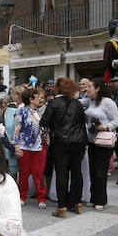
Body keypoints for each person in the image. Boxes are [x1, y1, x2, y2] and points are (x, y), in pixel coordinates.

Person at [41, 78, 86, 217]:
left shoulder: (53, 103)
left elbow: (44, 122)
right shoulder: (77, 103)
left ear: (58, 89)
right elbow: (82, 122)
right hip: (78, 141)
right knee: (77, 172)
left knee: (62, 173)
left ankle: (62, 206)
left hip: (60, 142)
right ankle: (77, 203)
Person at [82, 78, 118, 210]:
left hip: (104, 141)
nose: (87, 89)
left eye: (90, 87)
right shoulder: (90, 101)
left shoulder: (107, 102)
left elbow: (117, 121)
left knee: (100, 171)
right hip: (92, 141)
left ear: (98, 89)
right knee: (92, 171)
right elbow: (76, 102)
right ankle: (94, 198)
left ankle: (101, 200)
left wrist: (104, 127)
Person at [12, 87, 47, 207]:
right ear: (31, 99)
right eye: (37, 97)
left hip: (38, 147)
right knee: (24, 173)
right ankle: (22, 196)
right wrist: (17, 147)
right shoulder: (21, 112)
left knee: (38, 173)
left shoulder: (40, 112)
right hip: (24, 147)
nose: (40, 100)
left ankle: (41, 197)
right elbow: (15, 130)